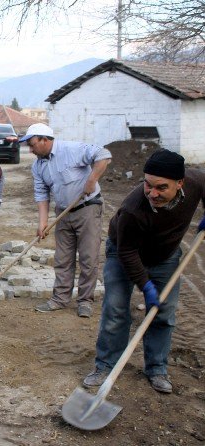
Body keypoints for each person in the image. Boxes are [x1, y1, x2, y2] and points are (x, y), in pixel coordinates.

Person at [83, 150, 205, 394]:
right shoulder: (133, 208)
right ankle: (105, 364)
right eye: (148, 185)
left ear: (180, 184)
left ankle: (157, 368)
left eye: (161, 187)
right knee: (116, 309)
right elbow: (127, 253)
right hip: (124, 253)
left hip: (166, 256)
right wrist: (146, 286)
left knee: (163, 314)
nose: (152, 193)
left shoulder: (196, 181)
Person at [21, 123, 111, 318]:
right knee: (63, 258)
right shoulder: (38, 166)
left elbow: (104, 155)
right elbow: (41, 193)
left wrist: (91, 180)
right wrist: (42, 222)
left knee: (88, 258)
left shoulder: (72, 150)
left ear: (45, 140)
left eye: (32, 144)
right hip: (63, 212)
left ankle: (85, 301)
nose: (30, 149)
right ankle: (60, 299)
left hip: (88, 209)